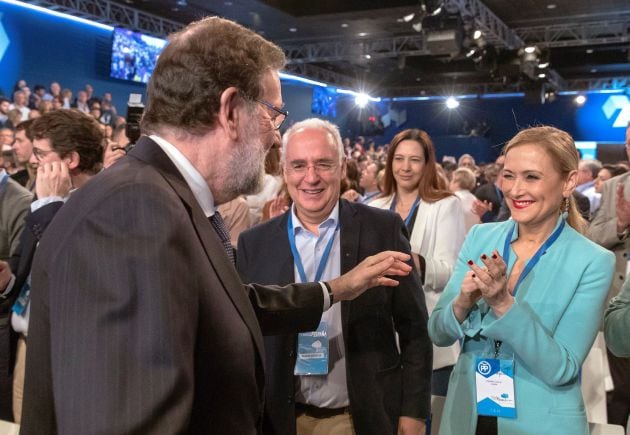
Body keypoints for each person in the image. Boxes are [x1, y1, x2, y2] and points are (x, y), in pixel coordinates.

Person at [19, 17, 412, 435]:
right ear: (229, 111)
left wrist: (336, 289)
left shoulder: (161, 199)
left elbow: (229, 305)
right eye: (272, 115)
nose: (276, 140)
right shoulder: (132, 214)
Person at [237, 119, 431, 435]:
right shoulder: (254, 243)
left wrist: (413, 414)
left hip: (359, 417)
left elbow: (414, 329)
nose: (310, 177)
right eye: (299, 165)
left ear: (341, 168)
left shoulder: (383, 229)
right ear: (284, 171)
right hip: (281, 419)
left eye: (323, 164)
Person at [428, 126, 615, 435]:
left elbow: (562, 367)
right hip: (468, 415)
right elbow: (438, 333)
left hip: (541, 422)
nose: (514, 190)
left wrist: (503, 304)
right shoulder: (480, 236)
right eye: (509, 175)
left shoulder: (593, 261)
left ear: (568, 182)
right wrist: (461, 303)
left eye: (531, 177)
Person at [0, 109, 104, 424]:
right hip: (27, 349)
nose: (33, 160)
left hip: (70, 358)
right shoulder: (42, 198)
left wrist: (49, 207)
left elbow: (74, 272)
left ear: (70, 159)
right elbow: (26, 271)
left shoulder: (103, 203)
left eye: (42, 153)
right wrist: (6, 280)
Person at [370, 128, 465, 396]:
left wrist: (412, 262)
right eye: (399, 159)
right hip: (383, 335)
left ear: (427, 164)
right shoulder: (375, 206)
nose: (406, 168)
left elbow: (450, 272)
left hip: (428, 334)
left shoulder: (446, 205)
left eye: (415, 160)